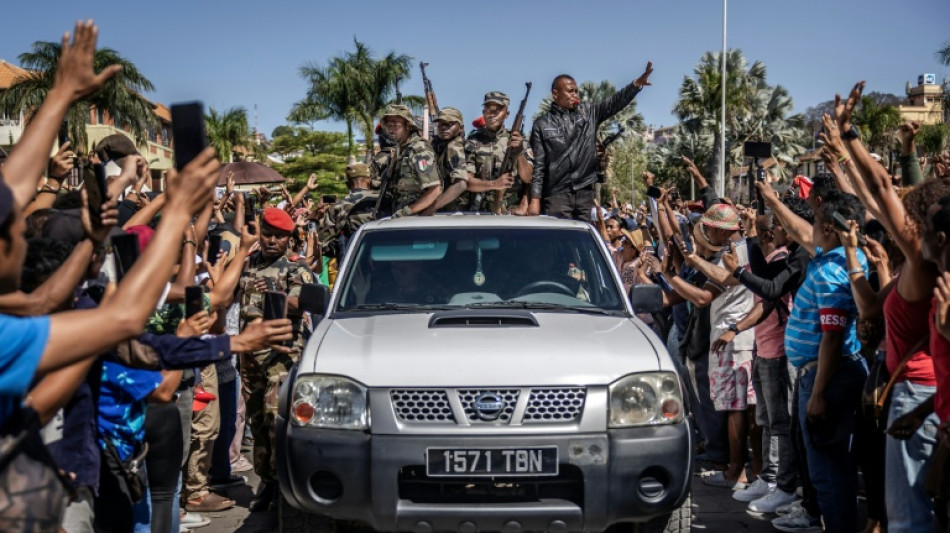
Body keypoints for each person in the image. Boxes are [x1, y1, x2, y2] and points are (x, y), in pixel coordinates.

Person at [238, 207, 315, 511]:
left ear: (288, 238)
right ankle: (267, 481)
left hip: (281, 354)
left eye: (278, 236)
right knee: (257, 420)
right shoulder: (248, 263)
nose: (271, 241)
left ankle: (284, 485)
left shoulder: (296, 266)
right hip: (250, 356)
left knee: (275, 421)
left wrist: (274, 292)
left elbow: (303, 302)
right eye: (267, 234)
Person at [529, 62, 653, 221]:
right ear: (555, 94)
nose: (575, 94)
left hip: (584, 192)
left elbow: (614, 102)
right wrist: (535, 199)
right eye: (570, 91)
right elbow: (538, 166)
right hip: (556, 194)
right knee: (559, 241)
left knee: (582, 238)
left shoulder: (589, 112)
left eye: (576, 91)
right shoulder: (542, 124)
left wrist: (636, 85)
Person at [379, 104, 441, 217]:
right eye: (388, 126)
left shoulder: (418, 149)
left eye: (395, 125)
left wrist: (408, 211)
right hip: (402, 218)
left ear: (407, 125)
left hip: (416, 221)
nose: (391, 130)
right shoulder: (401, 150)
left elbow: (435, 190)